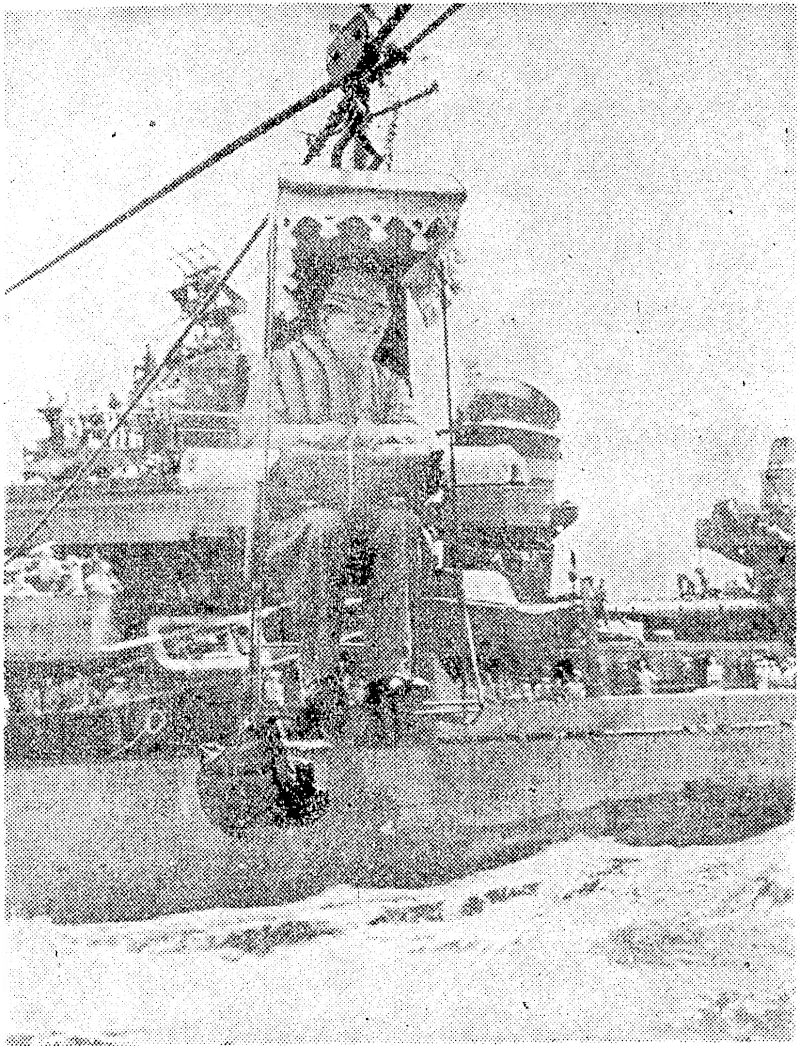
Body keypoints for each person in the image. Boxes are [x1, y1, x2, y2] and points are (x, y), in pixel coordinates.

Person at [240, 265, 439, 732]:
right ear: (325, 318)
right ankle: (315, 675)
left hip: (369, 512)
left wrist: (397, 446)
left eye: (377, 328)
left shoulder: (388, 383)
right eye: (357, 324)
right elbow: (256, 442)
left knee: (402, 530)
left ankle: (386, 674)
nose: (368, 339)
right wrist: (325, 442)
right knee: (320, 531)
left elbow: (411, 441)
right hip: (295, 515)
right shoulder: (280, 371)